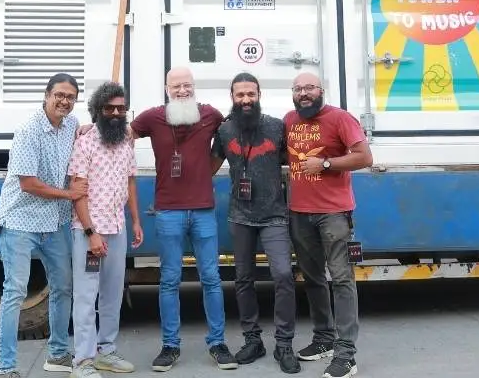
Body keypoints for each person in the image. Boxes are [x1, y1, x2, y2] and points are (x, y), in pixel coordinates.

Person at [130, 66, 238, 372]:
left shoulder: (211, 115)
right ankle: (170, 346)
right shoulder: (152, 117)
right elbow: (122, 135)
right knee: (169, 281)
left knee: (212, 279)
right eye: (176, 86)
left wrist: (209, 170)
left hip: (203, 209)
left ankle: (217, 343)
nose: (182, 90)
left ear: (194, 87)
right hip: (168, 211)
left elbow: (232, 134)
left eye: (187, 85)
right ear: (167, 89)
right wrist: (90, 128)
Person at [0, 73, 85, 378]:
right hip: (19, 221)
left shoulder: (71, 125)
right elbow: (29, 184)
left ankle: (58, 354)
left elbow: (83, 140)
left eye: (70, 97)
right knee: (15, 292)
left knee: (63, 287)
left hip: (54, 223)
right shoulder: (28, 131)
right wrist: (70, 194)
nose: (64, 101)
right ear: (46, 95)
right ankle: (5, 369)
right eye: (59, 95)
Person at [284, 72, 373, 378]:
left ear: (321, 90)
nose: (303, 93)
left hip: (334, 213)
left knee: (342, 279)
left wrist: (325, 163)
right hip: (299, 212)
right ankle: (324, 339)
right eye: (298, 89)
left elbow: (364, 157)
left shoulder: (340, 118)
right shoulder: (289, 120)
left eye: (309, 88)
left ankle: (346, 354)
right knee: (312, 278)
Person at [211, 73, 301, 374]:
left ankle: (284, 343)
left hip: (274, 214)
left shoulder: (277, 127)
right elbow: (208, 167)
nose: (246, 100)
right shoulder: (223, 131)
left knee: (284, 275)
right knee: (243, 279)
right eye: (240, 95)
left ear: (259, 94)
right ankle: (253, 340)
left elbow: (297, 161)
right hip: (240, 215)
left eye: (251, 94)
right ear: (232, 97)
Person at [67, 81, 144, 378]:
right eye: (109, 108)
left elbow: (131, 181)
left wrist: (135, 220)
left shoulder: (126, 141)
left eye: (120, 108)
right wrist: (90, 233)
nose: (115, 113)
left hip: (118, 227)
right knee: (86, 296)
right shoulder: (85, 142)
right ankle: (83, 361)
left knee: (112, 294)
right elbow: (77, 190)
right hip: (89, 232)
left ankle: (106, 351)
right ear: (97, 110)